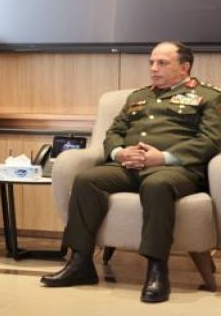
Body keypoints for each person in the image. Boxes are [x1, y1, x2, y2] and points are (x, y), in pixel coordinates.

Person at [40, 41, 221, 303]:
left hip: (175, 169)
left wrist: (163, 157)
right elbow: (114, 132)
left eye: (162, 63)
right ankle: (80, 263)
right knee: (87, 180)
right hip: (129, 165)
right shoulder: (138, 96)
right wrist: (119, 153)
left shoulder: (210, 96)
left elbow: (211, 141)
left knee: (156, 186)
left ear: (184, 67)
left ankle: (157, 270)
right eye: (151, 62)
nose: (153, 68)